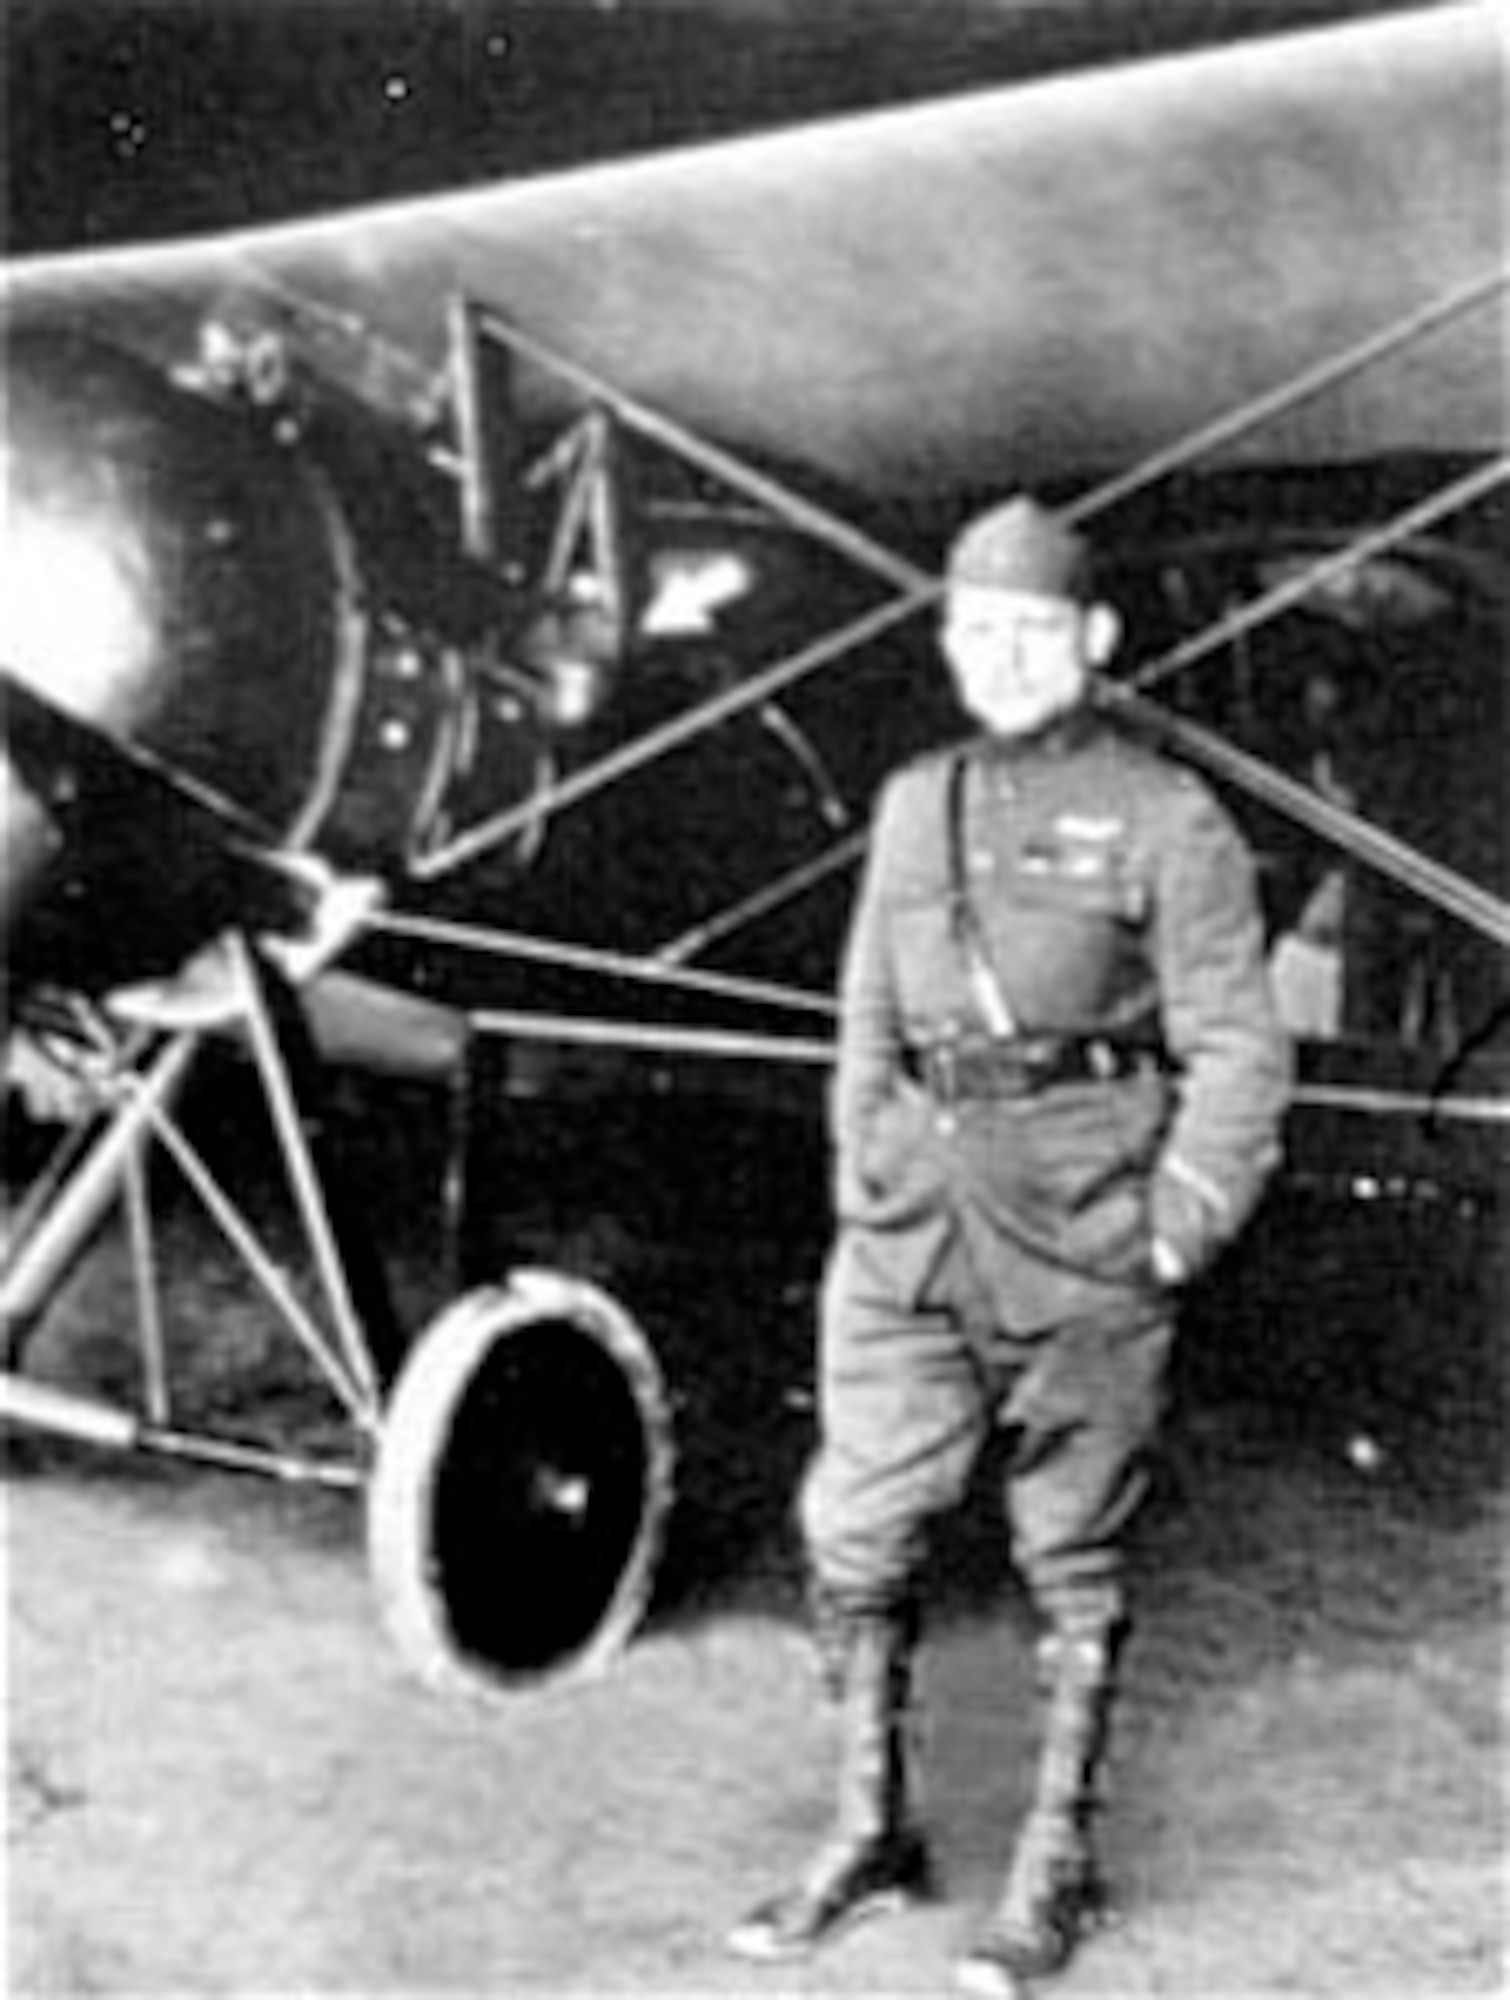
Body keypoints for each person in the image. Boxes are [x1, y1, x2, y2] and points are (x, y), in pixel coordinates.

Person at [727, 495, 1292, 1995]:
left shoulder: (1171, 820)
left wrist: (1175, 1226)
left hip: (1084, 1224)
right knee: (855, 1523)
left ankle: (1053, 1866)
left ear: (1092, 642)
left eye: (1032, 631)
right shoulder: (917, 799)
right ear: (948, 645)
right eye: (976, 631)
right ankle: (866, 1831)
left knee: (1068, 1548)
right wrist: (863, 1160)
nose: (1002, 657)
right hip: (911, 1225)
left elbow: (1238, 1050)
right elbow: (866, 1009)